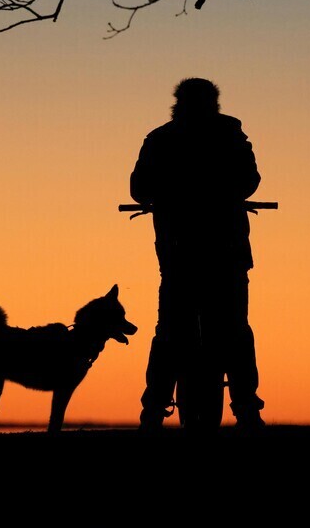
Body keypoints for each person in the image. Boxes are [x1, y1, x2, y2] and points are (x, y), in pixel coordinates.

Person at [130, 78, 266, 431]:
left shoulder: (160, 138)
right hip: (226, 252)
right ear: (215, 102)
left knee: (171, 332)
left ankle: (154, 410)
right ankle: (247, 409)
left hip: (180, 254)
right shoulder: (231, 135)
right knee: (234, 329)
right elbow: (250, 180)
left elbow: (139, 188)